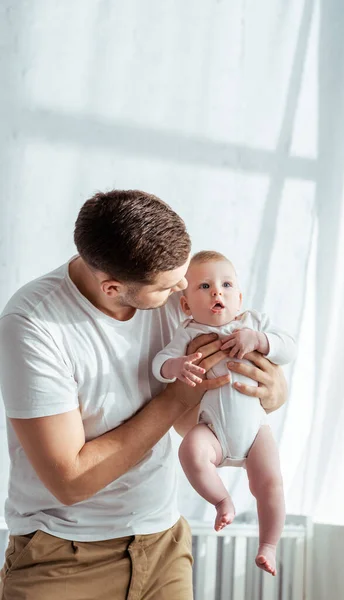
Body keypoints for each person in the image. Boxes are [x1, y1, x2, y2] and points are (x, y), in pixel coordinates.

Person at [0, 190, 288, 600]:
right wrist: (175, 399)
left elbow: (203, 413)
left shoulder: (176, 291)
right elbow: (71, 481)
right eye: (170, 287)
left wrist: (272, 387)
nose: (185, 292)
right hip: (62, 555)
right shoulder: (34, 324)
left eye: (185, 278)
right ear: (113, 287)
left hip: (163, 543)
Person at [153, 251, 296, 576]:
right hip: (211, 430)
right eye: (204, 286)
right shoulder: (187, 333)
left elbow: (289, 347)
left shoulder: (253, 323)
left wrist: (260, 340)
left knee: (270, 484)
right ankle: (221, 501)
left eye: (226, 285)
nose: (218, 292)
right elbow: (159, 363)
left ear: (240, 297)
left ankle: (269, 545)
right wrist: (176, 365)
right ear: (186, 305)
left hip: (256, 431)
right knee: (190, 451)